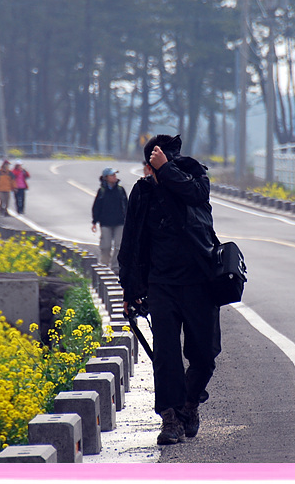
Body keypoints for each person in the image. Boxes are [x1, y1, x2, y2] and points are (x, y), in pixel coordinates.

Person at [117, 134, 221, 446]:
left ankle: (190, 404)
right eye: (153, 164)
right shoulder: (143, 192)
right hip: (161, 285)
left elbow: (196, 195)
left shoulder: (193, 176)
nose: (152, 170)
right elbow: (131, 242)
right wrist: (128, 289)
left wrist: (167, 171)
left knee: (204, 354)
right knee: (166, 355)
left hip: (200, 282)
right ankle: (171, 418)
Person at [91, 167, 128, 272]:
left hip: (120, 222)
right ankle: (104, 266)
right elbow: (97, 207)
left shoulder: (120, 190)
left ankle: (115, 266)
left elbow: (126, 205)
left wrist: (129, 220)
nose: (114, 177)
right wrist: (94, 222)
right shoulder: (102, 191)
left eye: (115, 175)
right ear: (106, 178)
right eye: (112, 175)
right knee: (106, 246)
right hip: (105, 223)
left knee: (119, 246)